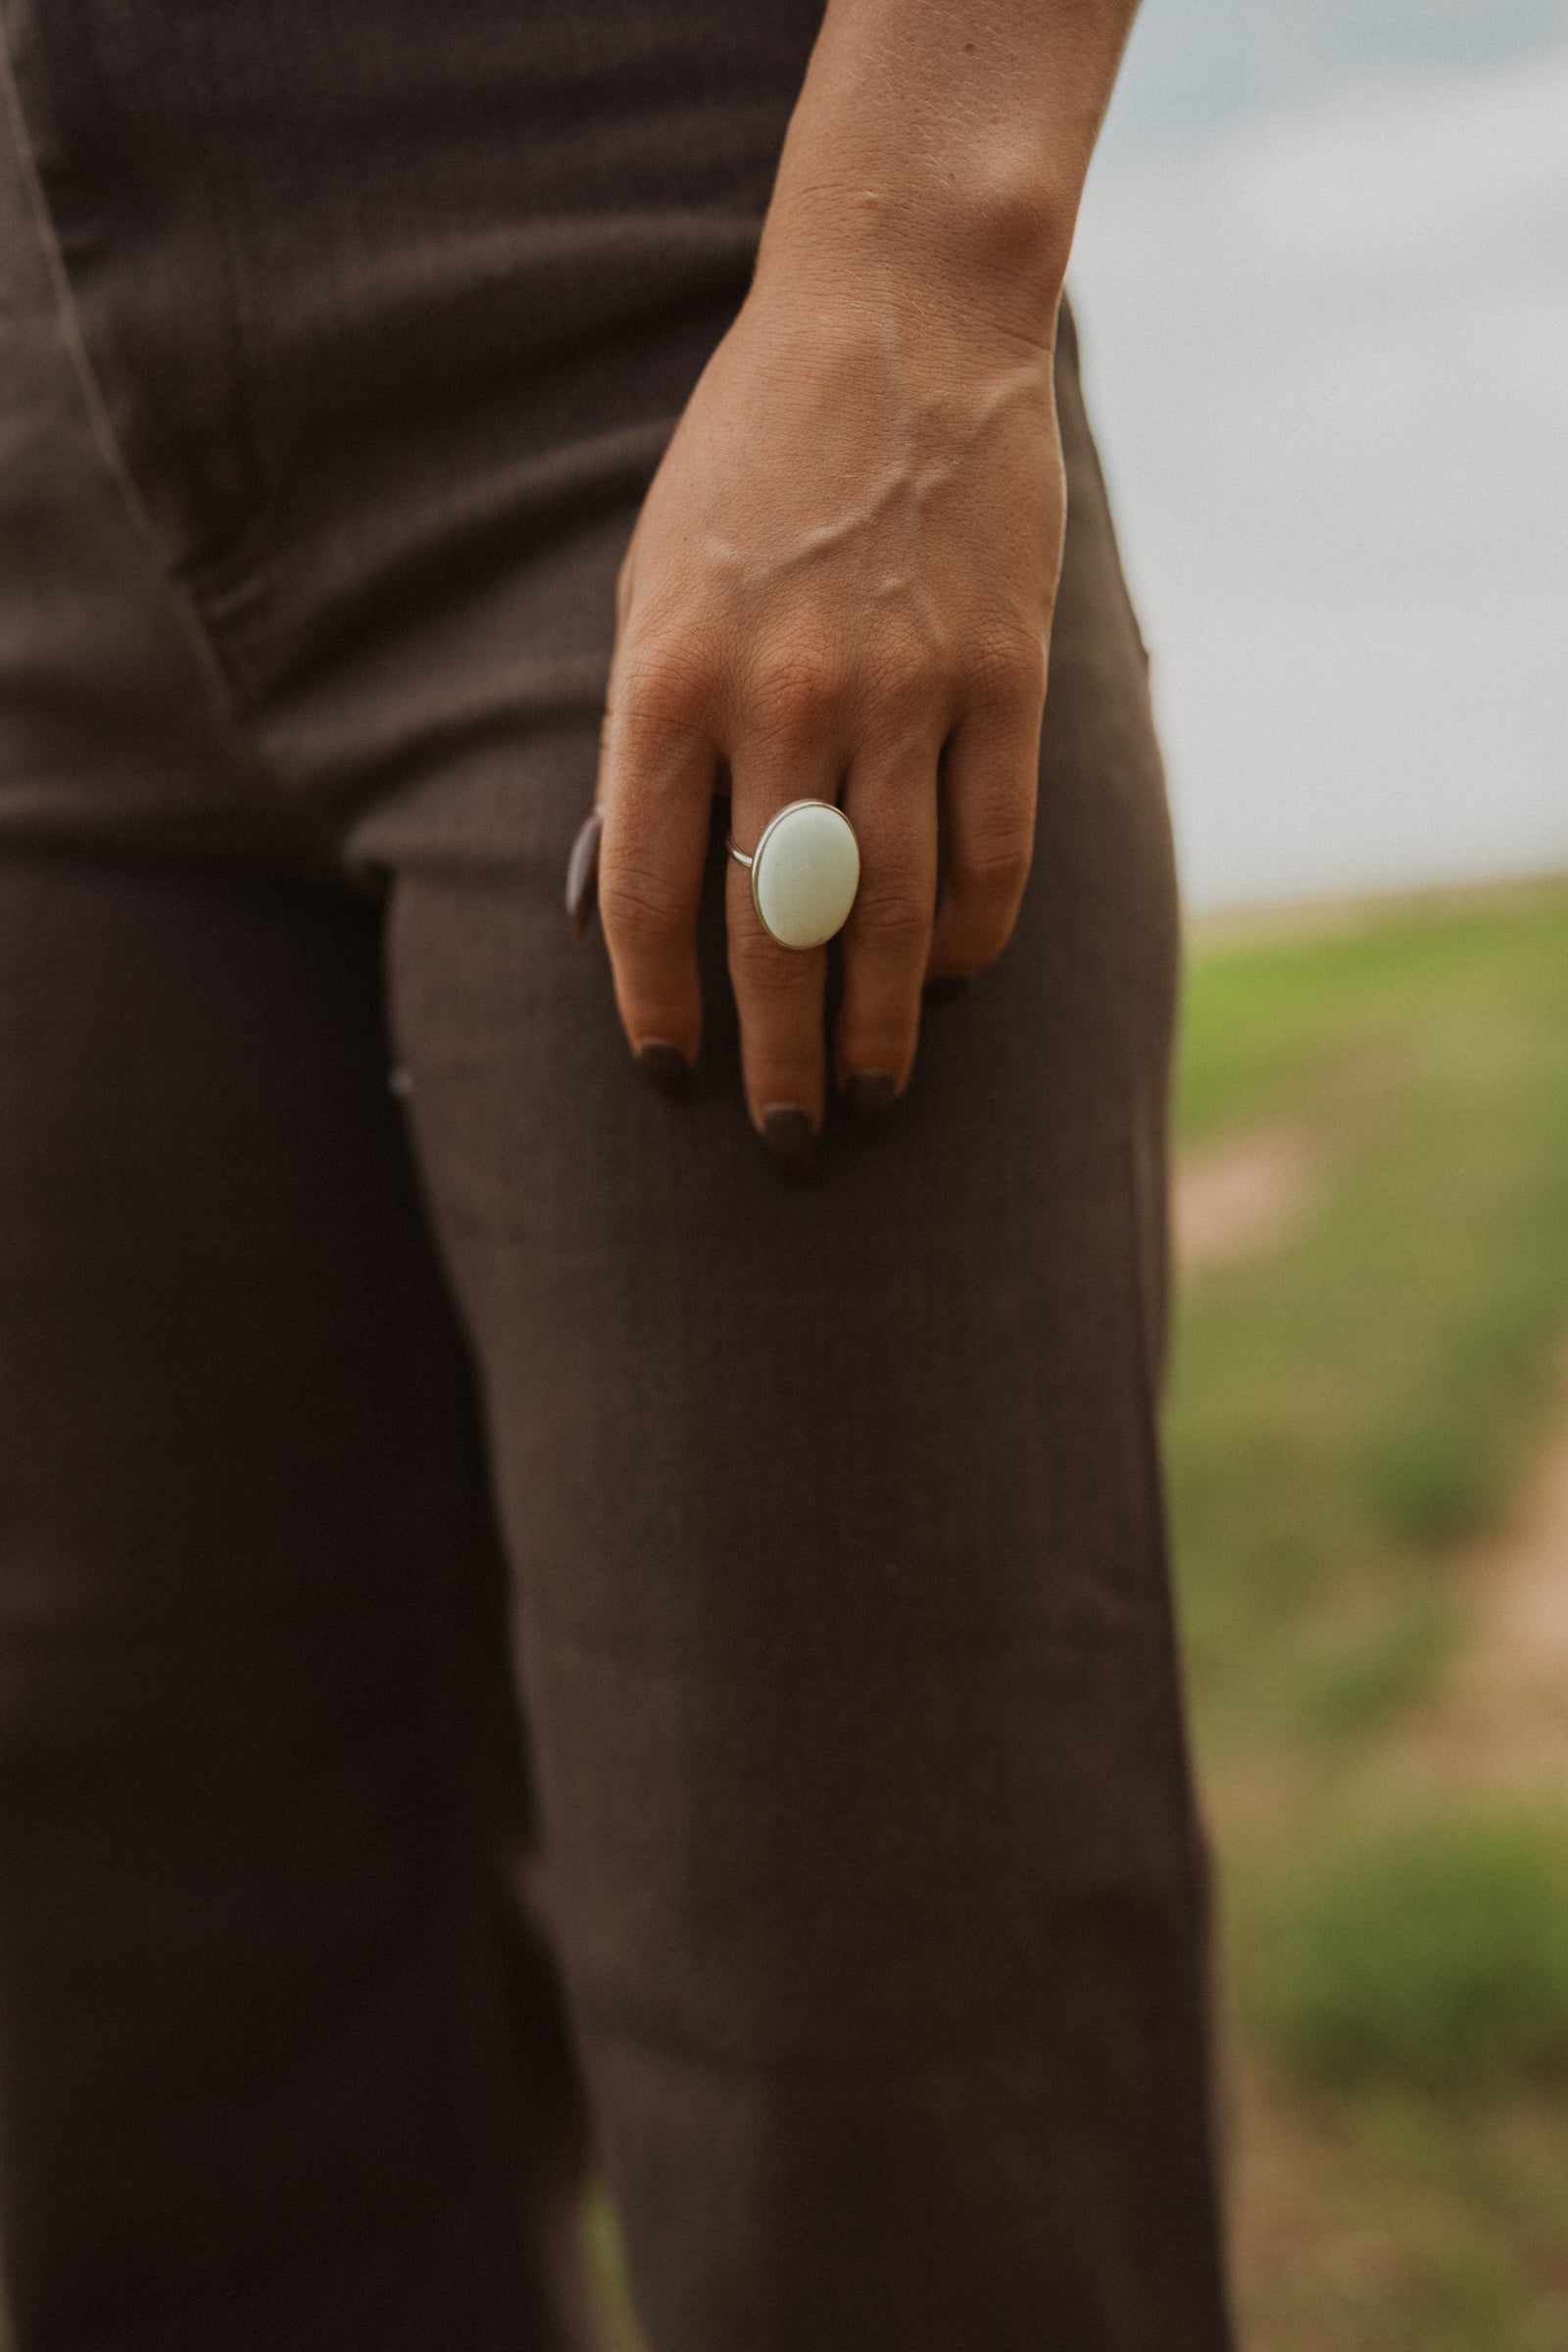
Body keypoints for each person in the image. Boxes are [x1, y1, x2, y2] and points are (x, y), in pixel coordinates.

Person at [0, 0, 1233, 2344]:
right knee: (174, 2092)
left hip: (677, 274)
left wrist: (917, 254)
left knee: (881, 2110)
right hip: (25, 389)